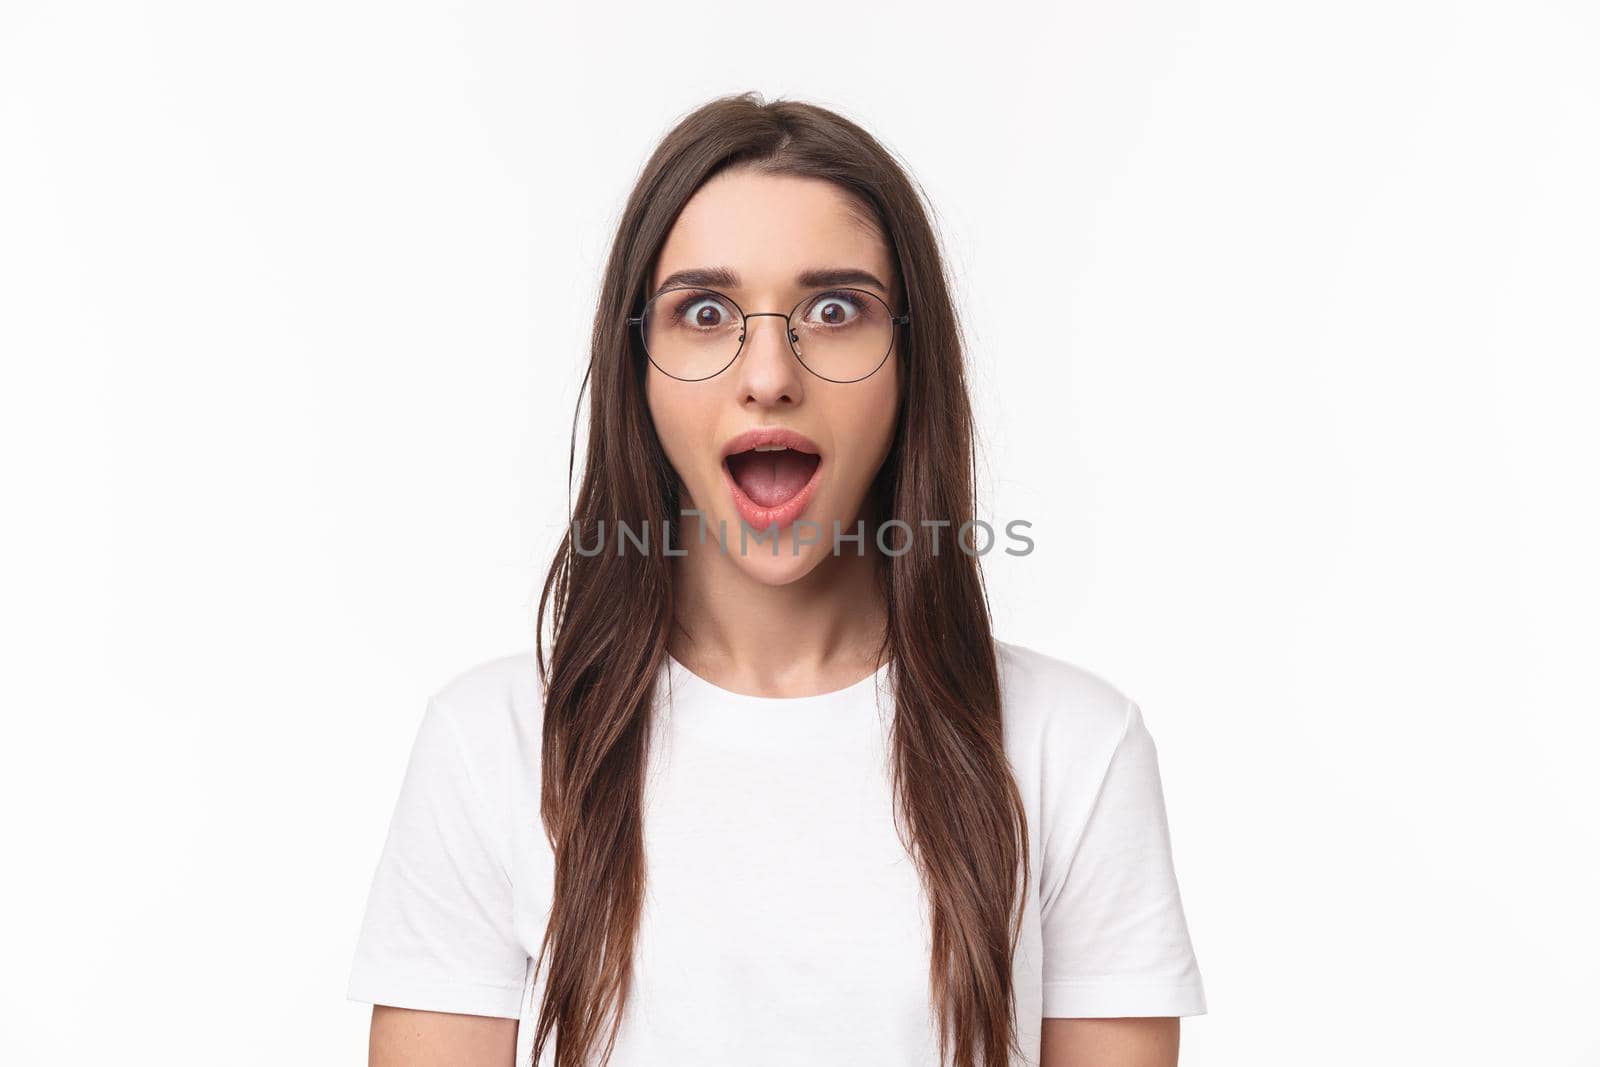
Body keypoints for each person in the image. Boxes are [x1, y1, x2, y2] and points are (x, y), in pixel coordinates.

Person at [346, 92, 1206, 1067]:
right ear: (638, 367)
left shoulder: (1072, 744)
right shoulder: (491, 742)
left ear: (909, 364)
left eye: (834, 310)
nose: (768, 372)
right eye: (703, 311)